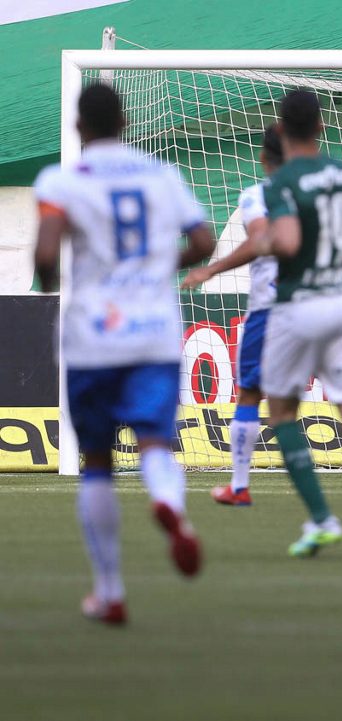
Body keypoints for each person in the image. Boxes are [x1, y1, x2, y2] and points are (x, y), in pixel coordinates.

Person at [32, 82, 215, 625]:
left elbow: (46, 250)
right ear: (126, 122)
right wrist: (157, 266)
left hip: (93, 335)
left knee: (96, 462)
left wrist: (49, 284)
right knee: (156, 442)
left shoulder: (61, 180)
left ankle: (110, 592)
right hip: (153, 332)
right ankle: (171, 505)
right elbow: (203, 243)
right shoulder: (162, 174)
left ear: (78, 127)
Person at [181, 124, 342, 507]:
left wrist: (212, 269)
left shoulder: (261, 194)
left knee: (253, 394)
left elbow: (263, 239)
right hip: (326, 300)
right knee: (337, 375)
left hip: (272, 306)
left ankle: (241, 486)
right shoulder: (319, 191)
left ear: (264, 158)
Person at [259, 89, 342, 559]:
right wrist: (332, 231)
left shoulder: (281, 181)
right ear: (321, 125)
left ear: (281, 128)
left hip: (299, 305)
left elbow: (287, 241)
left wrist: (275, 239)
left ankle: (322, 519)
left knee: (282, 412)